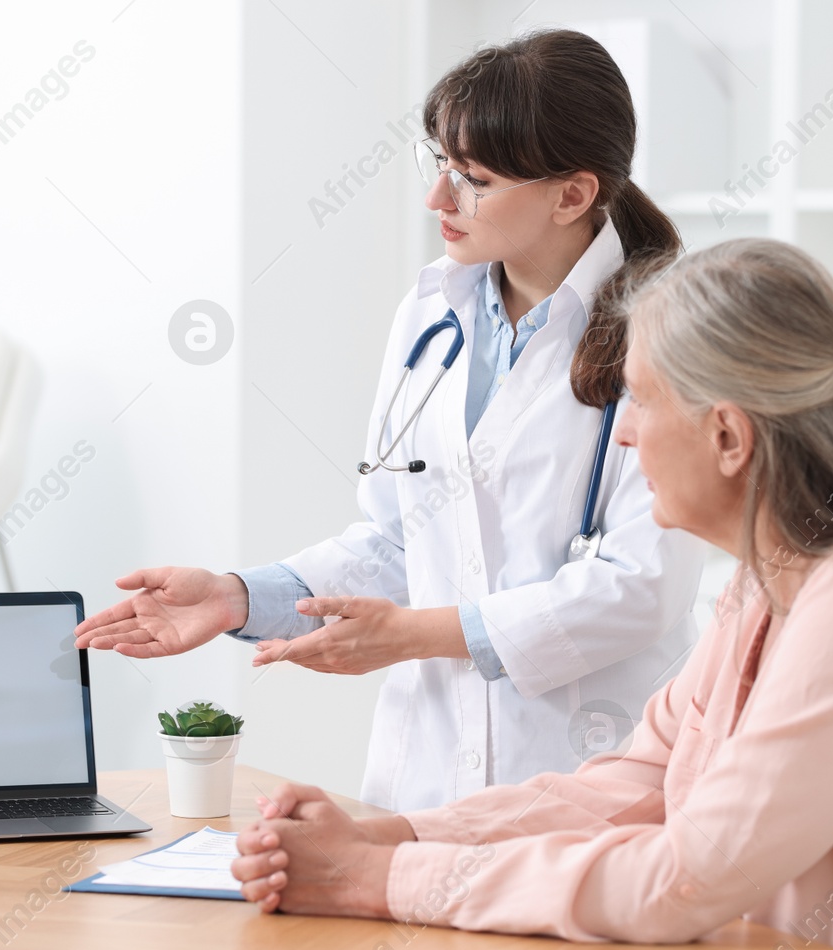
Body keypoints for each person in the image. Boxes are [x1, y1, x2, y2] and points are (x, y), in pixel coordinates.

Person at [228, 238, 833, 950]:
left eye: (639, 403)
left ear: (727, 434)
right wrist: (396, 836)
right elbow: (632, 783)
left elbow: (689, 873)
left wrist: (376, 883)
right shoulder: (768, 583)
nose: (624, 440)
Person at [75, 30, 704, 812]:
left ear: (572, 195)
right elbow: (395, 538)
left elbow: (640, 587)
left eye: (472, 179)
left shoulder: (673, 333)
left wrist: (414, 635)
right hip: (425, 774)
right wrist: (240, 596)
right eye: (439, 163)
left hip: (584, 773)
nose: (438, 199)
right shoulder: (428, 316)